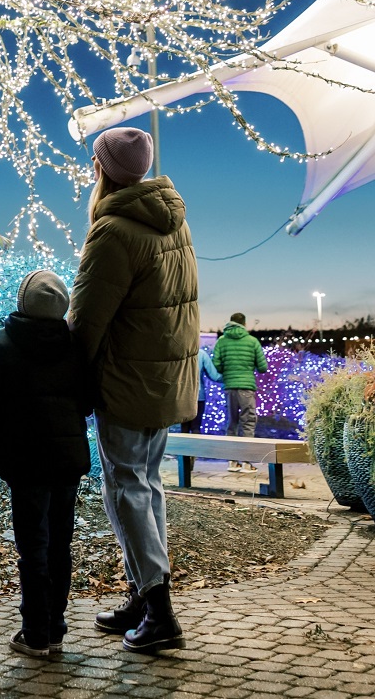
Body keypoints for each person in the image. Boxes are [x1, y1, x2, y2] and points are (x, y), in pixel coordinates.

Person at [68, 126, 198, 654]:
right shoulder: (173, 223)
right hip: (164, 378)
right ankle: (143, 597)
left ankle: (159, 610)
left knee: (126, 490)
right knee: (147, 486)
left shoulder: (115, 231)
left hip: (126, 381)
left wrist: (70, 382)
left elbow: (86, 321)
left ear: (102, 170)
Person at [0, 270, 92, 658]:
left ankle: (35, 632)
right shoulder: (75, 347)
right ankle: (55, 630)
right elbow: (86, 403)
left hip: (24, 462)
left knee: (33, 546)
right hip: (67, 460)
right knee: (60, 544)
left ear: (23, 301)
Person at [213, 312, 268, 472]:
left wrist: (228, 370)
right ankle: (246, 462)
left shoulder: (222, 341)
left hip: (229, 387)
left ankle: (232, 462)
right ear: (244, 324)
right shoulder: (252, 341)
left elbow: (216, 363)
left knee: (232, 423)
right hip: (246, 387)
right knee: (248, 422)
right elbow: (263, 367)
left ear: (230, 323)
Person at [179, 348, 222, 434]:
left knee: (184, 427)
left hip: (181, 394)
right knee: (196, 427)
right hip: (198, 394)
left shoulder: (179, 352)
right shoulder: (202, 354)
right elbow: (214, 375)